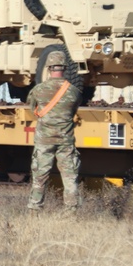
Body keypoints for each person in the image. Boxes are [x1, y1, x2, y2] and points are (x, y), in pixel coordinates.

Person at [26, 61, 82, 213]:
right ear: (64, 68)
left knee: (40, 176)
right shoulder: (74, 91)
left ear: (49, 68)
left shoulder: (38, 90)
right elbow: (74, 111)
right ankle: (71, 212)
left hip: (44, 140)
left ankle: (35, 210)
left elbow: (33, 108)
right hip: (66, 140)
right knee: (70, 177)